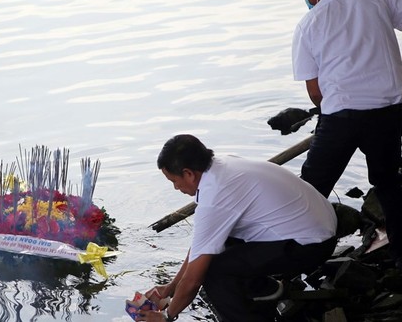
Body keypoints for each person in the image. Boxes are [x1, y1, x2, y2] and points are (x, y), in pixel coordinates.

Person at [287, 0, 402, 270]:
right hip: (387, 112)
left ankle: (294, 263)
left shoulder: (309, 24)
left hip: (341, 119)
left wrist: (330, 118)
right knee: (388, 183)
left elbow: (315, 91)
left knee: (311, 190)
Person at [137, 134, 337, 322]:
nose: (175, 188)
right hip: (321, 226)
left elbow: (194, 280)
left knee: (213, 272)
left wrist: (167, 316)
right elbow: (201, 246)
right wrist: (171, 288)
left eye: (174, 181)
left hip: (311, 245)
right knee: (215, 249)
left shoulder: (215, 196)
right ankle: (264, 289)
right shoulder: (222, 165)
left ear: (188, 174)